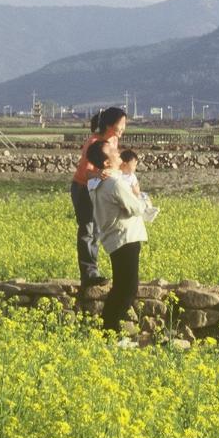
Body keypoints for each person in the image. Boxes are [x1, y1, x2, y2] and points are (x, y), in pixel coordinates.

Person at [86, 137, 148, 338]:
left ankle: (108, 331)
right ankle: (110, 333)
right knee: (128, 289)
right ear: (106, 162)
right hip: (126, 238)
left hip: (114, 240)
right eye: (112, 150)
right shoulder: (115, 184)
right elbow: (136, 207)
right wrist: (142, 198)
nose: (117, 150)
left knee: (120, 288)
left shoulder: (98, 182)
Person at [72, 106, 127, 285]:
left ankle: (93, 272)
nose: (123, 129)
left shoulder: (112, 141)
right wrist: (98, 174)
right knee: (88, 230)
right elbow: (86, 171)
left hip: (98, 188)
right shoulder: (94, 141)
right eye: (121, 125)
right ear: (110, 125)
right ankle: (89, 274)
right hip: (83, 188)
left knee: (96, 230)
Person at [117, 148, 160, 223]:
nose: (135, 167)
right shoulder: (118, 175)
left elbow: (136, 187)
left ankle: (148, 210)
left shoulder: (132, 176)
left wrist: (137, 192)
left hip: (135, 194)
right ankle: (145, 211)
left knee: (144, 196)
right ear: (124, 164)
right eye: (134, 165)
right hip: (127, 195)